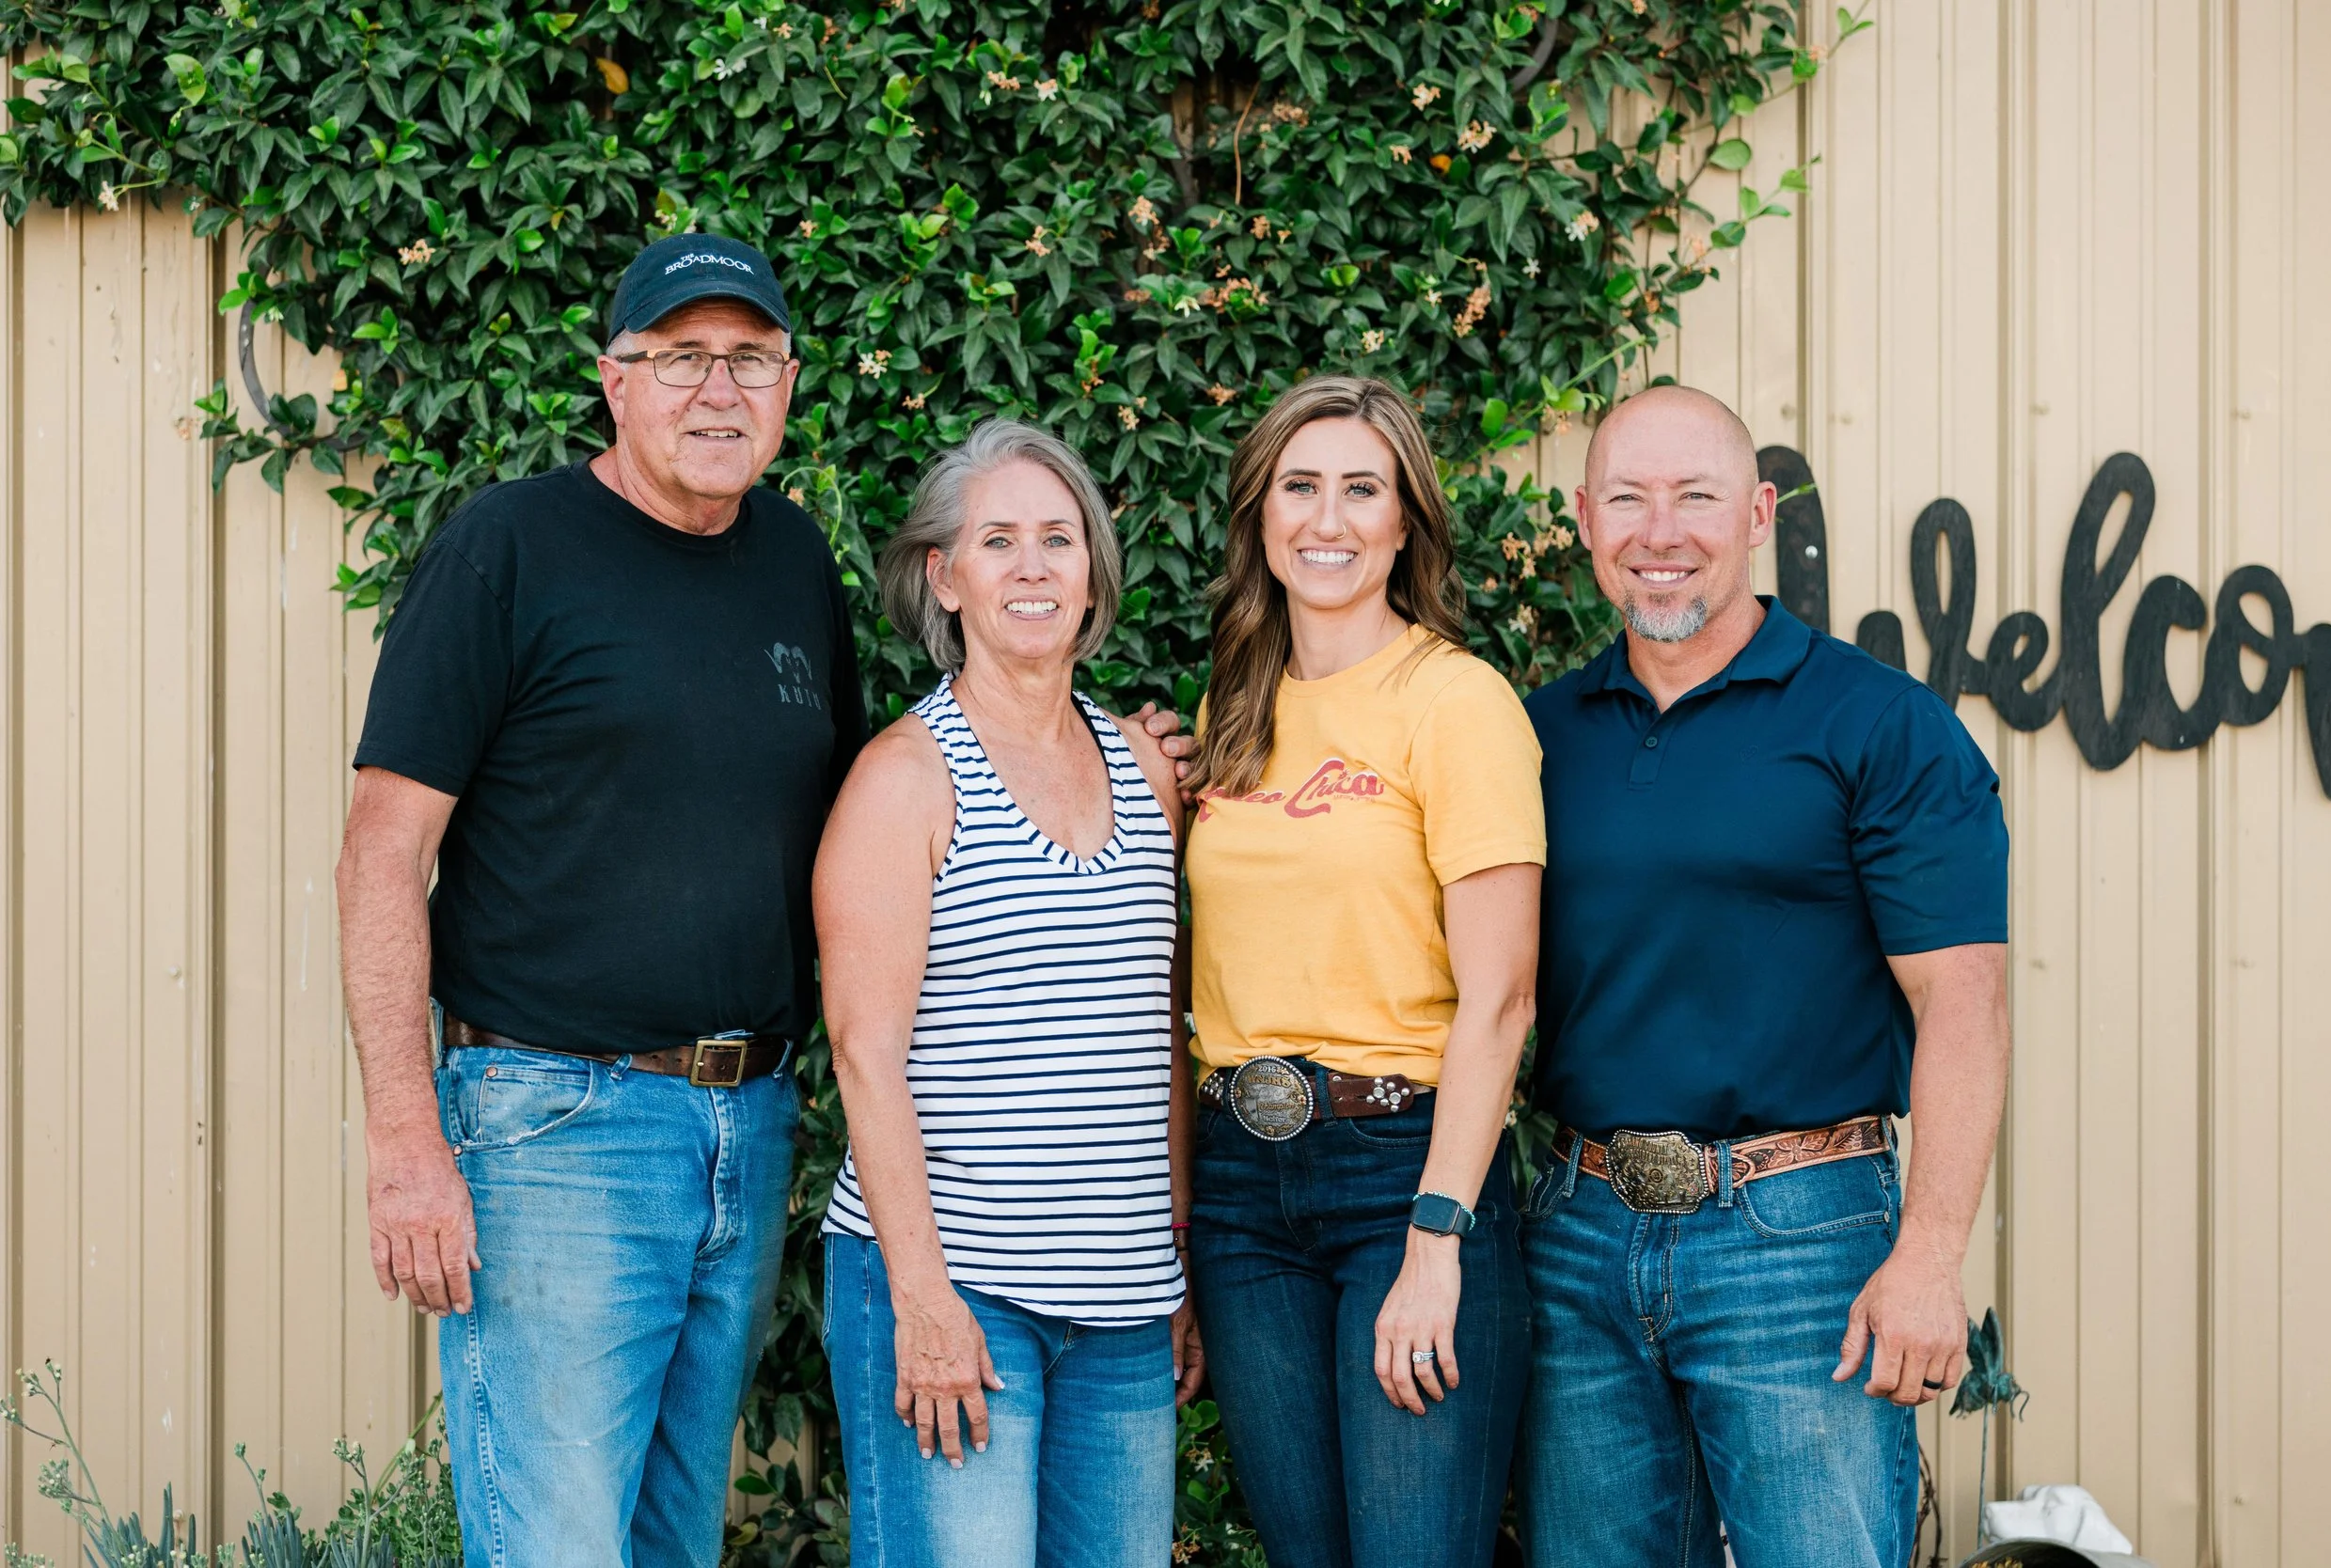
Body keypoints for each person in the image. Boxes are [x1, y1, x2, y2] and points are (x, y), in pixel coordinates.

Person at [336, 236, 1194, 1567]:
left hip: (746, 1120)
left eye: (749, 359)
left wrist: (1115, 763)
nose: (718, 389)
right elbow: (382, 854)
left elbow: (861, 829)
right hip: (559, 1124)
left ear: (789, 385)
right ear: (615, 379)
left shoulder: (791, 559)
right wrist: (405, 1138)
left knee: (677, 1536)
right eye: (683, 358)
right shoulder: (508, 549)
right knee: (561, 1544)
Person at [1516, 385, 2011, 1568]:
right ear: (1583, 519)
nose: (1660, 532)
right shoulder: (1533, 736)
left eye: (1696, 496)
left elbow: (1964, 1002)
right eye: (1627, 499)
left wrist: (1929, 1257)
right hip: (1578, 1237)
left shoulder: (1879, 725)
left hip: (1801, 1242)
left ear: (1756, 514)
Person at [815, 419, 1204, 1568]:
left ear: (1092, 571)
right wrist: (923, 1300)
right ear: (946, 577)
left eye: (1057, 539)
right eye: (997, 542)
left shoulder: (1146, 767)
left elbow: (1157, 1033)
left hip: (1124, 1308)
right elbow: (864, 1056)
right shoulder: (904, 778)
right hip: (958, 1289)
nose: (1032, 567)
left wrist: (1172, 1254)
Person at [1181, 375, 1545, 1568]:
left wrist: (1436, 1238)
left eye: (1360, 489)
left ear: (1404, 523)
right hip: (1243, 1191)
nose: (1326, 519)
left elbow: (1501, 999)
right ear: (1260, 517)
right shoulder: (1232, 707)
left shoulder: (1456, 702)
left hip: (1403, 1173)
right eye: (1298, 487)